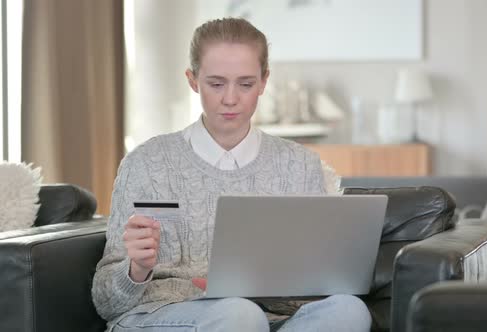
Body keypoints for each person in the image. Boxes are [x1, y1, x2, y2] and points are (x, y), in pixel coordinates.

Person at [92, 17, 372, 332]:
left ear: (264, 81)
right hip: (162, 313)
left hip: (267, 318)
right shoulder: (146, 162)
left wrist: (272, 287)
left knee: (349, 310)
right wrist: (136, 269)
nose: (230, 98)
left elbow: (313, 292)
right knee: (238, 315)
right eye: (216, 83)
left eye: (246, 83)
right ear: (193, 80)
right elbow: (106, 304)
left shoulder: (300, 164)